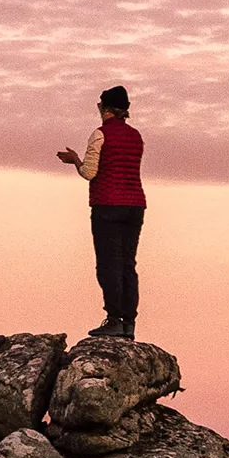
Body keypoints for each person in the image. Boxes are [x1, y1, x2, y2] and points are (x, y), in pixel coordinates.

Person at [55, 83, 146, 340]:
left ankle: (114, 318)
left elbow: (89, 173)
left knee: (108, 264)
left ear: (104, 109)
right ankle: (129, 322)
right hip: (135, 205)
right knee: (128, 264)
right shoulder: (136, 135)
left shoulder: (99, 134)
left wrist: (74, 160)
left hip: (107, 204)